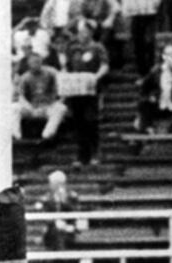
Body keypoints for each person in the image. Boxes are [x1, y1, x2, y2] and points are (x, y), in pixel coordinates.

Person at [65, 19, 109, 166]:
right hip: (76, 90)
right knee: (78, 123)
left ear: (91, 33)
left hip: (91, 89)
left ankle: (95, 153)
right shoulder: (72, 48)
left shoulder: (97, 47)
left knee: (91, 121)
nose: (83, 35)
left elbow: (104, 65)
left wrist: (96, 77)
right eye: (81, 32)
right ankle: (81, 155)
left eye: (86, 32)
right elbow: (67, 67)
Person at [33, 170, 80, 263]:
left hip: (69, 228)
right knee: (54, 232)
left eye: (52, 183)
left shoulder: (71, 196)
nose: (50, 185)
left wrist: (66, 224)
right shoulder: (48, 197)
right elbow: (43, 212)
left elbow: (75, 213)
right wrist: (55, 221)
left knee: (57, 235)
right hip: (52, 229)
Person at [135, 44, 172, 133]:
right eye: (169, 54)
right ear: (163, 56)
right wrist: (150, 96)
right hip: (159, 103)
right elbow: (144, 87)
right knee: (143, 103)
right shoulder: (156, 70)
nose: (171, 57)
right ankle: (147, 128)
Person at [12, 52, 67, 143]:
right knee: (14, 107)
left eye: (37, 62)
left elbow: (62, 89)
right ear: (29, 64)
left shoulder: (51, 73)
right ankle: (16, 135)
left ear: (41, 62)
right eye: (33, 62)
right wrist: (30, 107)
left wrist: (58, 102)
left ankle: (47, 134)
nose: (35, 65)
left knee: (61, 108)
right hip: (32, 108)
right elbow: (21, 96)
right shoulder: (25, 77)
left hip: (49, 106)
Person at [122, 0, 162, 77]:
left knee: (149, 42)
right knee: (138, 43)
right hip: (135, 15)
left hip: (150, 14)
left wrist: (155, 5)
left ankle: (151, 67)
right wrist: (127, 11)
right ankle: (142, 70)